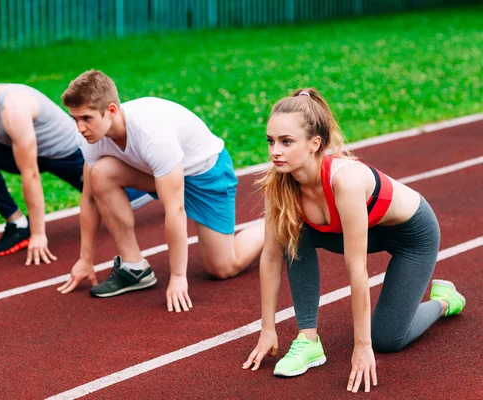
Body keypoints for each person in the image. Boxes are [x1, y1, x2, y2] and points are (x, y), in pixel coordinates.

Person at [242, 88, 466, 392]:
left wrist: (362, 346)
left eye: (286, 142)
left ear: (314, 143)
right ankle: (308, 340)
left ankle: (443, 301)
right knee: (292, 234)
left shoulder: (345, 182)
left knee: (387, 339)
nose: (274, 151)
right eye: (271, 141)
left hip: (411, 235)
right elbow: (270, 256)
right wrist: (267, 329)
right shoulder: (279, 184)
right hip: (360, 228)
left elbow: (357, 270)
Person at [56, 70, 265, 312]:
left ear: (111, 111)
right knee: (99, 174)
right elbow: (89, 200)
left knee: (223, 267)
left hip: (206, 174)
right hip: (159, 173)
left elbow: (174, 209)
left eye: (86, 118)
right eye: (75, 119)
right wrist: (85, 259)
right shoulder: (90, 136)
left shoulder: (152, 134)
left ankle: (274, 224)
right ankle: (134, 269)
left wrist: (178, 276)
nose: (80, 128)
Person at [0, 54, 152, 264]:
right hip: (28, 154)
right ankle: (18, 224)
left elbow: (30, 174)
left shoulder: (13, 107)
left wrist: (39, 234)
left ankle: (160, 180)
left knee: (123, 201)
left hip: (66, 153)